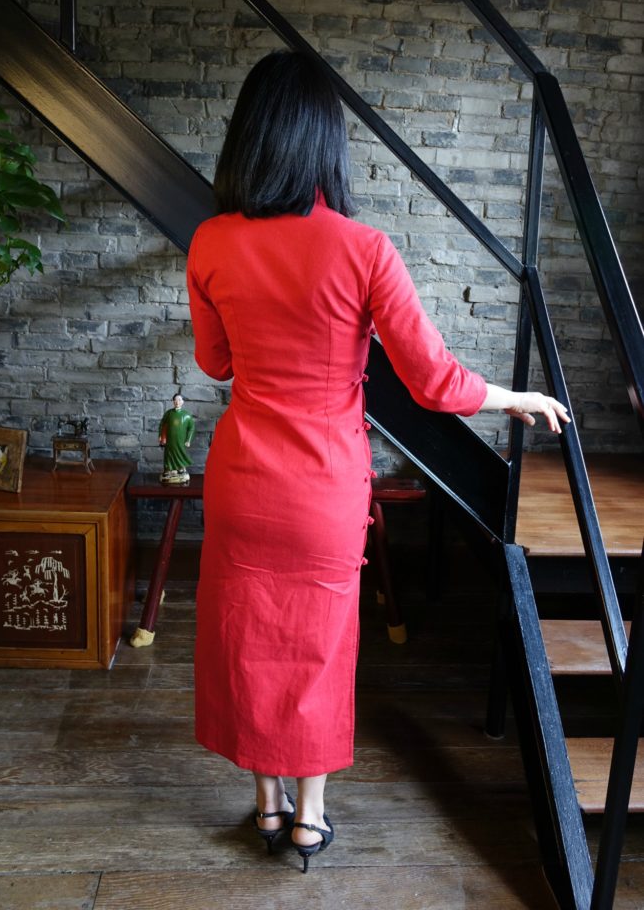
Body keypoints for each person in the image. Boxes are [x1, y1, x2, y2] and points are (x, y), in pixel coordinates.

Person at [187, 51, 569, 872]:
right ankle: (310, 817)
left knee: (250, 637)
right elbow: (432, 380)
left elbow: (215, 364)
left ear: (248, 140)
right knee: (318, 646)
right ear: (327, 141)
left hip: (244, 480)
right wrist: (511, 398)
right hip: (323, 485)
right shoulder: (364, 250)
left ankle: (265, 802)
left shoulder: (212, 241)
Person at [158, 392, 196, 484]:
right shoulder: (168, 414)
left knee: (180, 453)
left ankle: (181, 468)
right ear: (173, 402)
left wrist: (188, 440)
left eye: (179, 400)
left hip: (180, 440)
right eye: (175, 400)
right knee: (168, 454)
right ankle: (167, 469)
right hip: (169, 440)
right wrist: (162, 436)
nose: (177, 402)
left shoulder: (187, 415)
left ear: (182, 402)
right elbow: (162, 425)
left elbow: (191, 428)